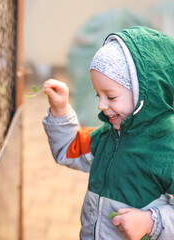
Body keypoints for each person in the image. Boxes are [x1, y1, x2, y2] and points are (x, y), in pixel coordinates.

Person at [42, 26, 174, 239]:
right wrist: (60, 110)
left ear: (145, 94)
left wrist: (150, 221)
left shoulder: (168, 149)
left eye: (111, 97)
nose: (101, 105)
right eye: (97, 95)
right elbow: (68, 149)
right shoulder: (107, 137)